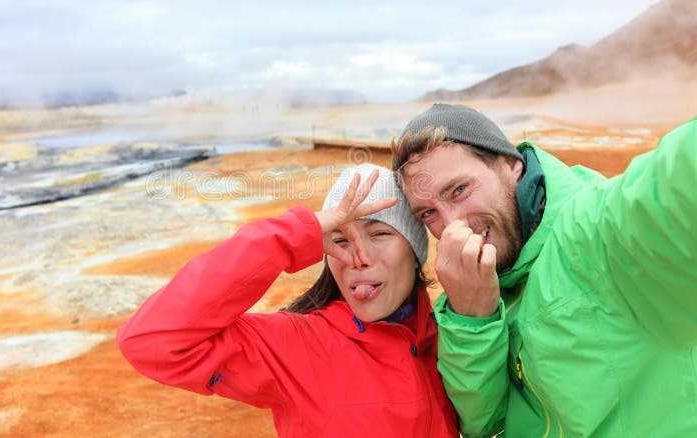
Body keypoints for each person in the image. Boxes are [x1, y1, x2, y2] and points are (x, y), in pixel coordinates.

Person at [390, 103, 697, 437]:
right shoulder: (471, 286)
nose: (452, 225)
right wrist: (473, 318)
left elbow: (674, 184)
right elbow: (483, 422)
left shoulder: (601, 230)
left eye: (460, 190)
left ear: (511, 165)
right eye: (428, 213)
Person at [117, 163, 459, 437]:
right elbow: (152, 341)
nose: (359, 257)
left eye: (380, 234)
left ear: (414, 253)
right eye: (339, 239)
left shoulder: (453, 338)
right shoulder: (297, 345)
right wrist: (296, 234)